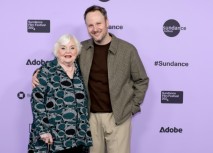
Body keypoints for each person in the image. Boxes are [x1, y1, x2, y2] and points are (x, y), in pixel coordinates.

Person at [33, 5, 149, 153]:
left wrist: (132, 108)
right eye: (90, 25)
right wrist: (37, 72)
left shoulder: (127, 50)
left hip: (119, 118)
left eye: (99, 23)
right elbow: (61, 63)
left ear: (107, 22)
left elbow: (142, 80)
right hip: (90, 119)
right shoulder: (81, 49)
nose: (95, 29)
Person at [28, 34, 92, 153]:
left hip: (79, 138)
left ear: (77, 51)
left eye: (72, 48)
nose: (68, 51)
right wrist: (43, 130)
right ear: (57, 51)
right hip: (53, 139)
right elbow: (37, 101)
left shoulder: (82, 71)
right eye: (63, 48)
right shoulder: (46, 70)